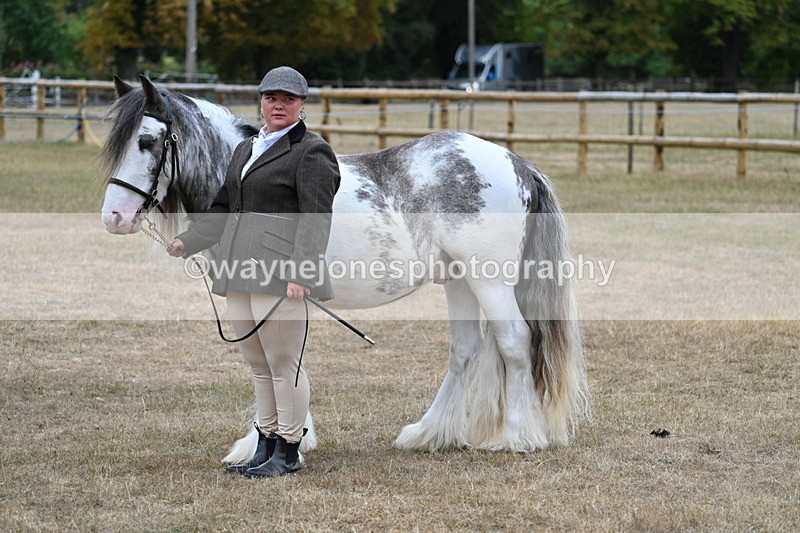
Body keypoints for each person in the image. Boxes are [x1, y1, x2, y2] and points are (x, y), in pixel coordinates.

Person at [167, 66, 340, 478]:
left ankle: (289, 450)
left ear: (301, 105)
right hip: (239, 269)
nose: (278, 105)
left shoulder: (312, 152)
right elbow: (225, 207)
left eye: (288, 99)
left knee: (284, 364)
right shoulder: (247, 148)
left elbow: (316, 218)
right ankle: (265, 444)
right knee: (259, 365)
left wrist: (302, 271)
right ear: (261, 102)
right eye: (270, 98)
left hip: (280, 273)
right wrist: (189, 241)